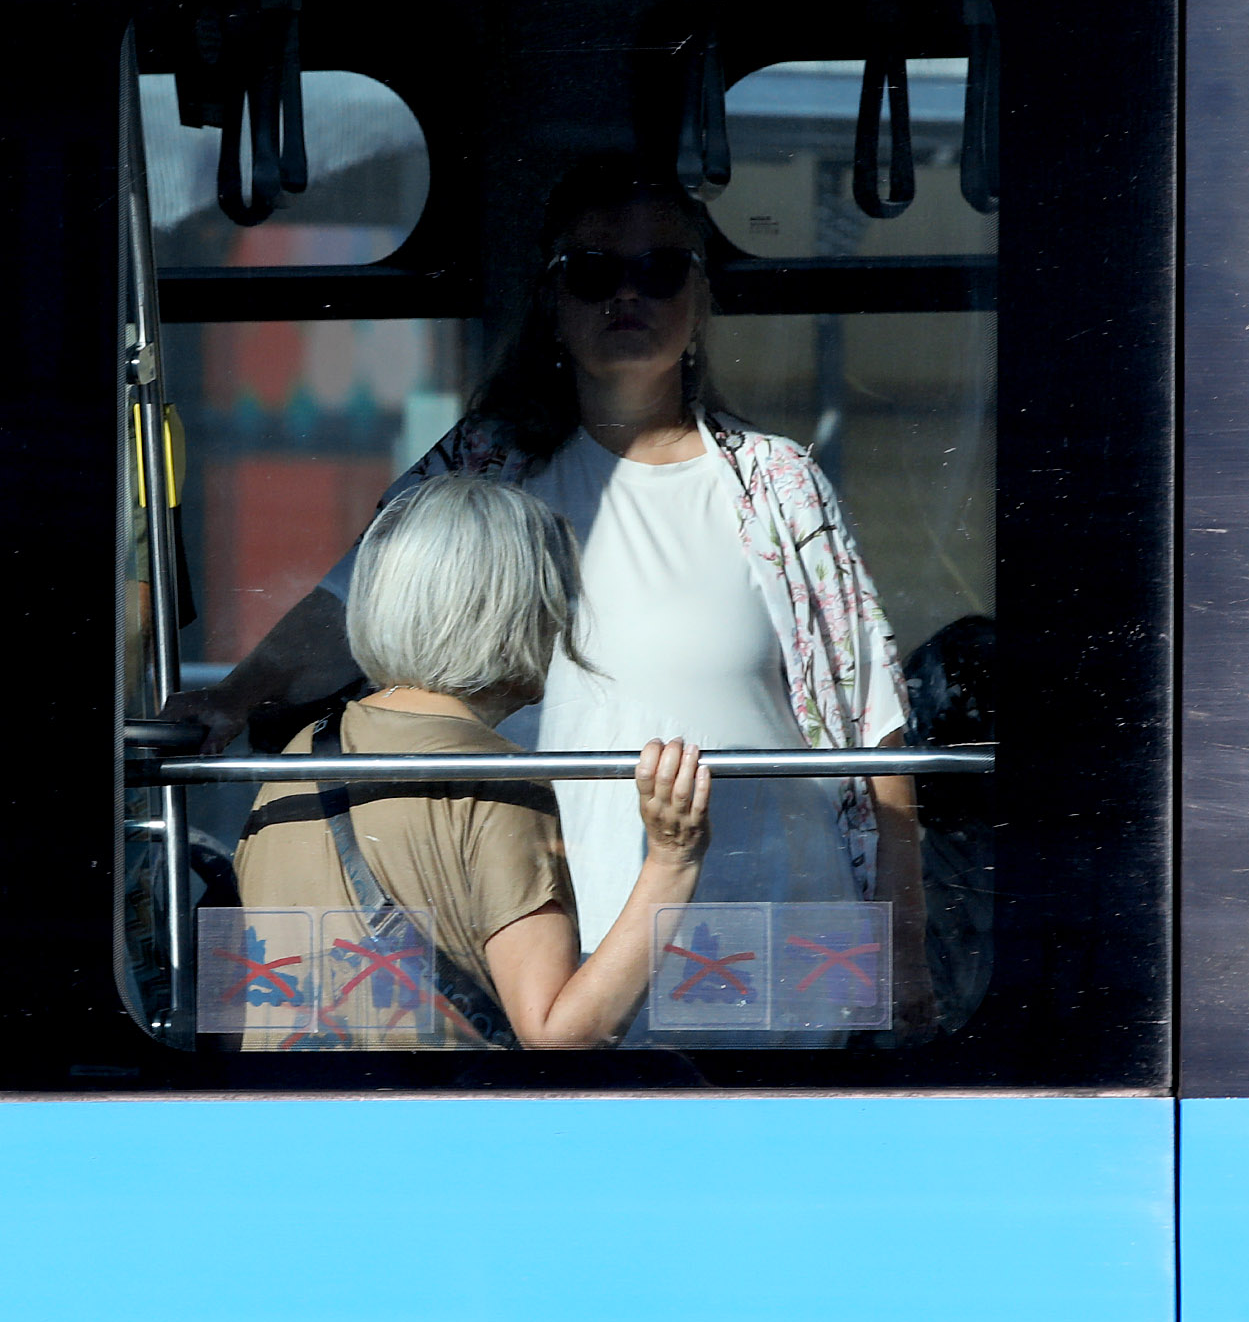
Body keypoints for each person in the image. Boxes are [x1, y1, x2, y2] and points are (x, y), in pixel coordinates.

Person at [177, 155, 921, 1035]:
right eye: (594, 273)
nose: (627, 296)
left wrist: (903, 947)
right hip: (558, 931)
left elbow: (875, 730)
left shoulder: (779, 484)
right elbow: (355, 603)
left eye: (661, 269)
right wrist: (230, 697)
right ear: (552, 304)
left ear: (700, 299)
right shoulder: (484, 468)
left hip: (773, 928)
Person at [233, 474, 712, 1049]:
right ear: (514, 612)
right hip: (432, 1127)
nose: (559, 624)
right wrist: (673, 860)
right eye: (555, 598)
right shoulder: (496, 780)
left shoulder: (304, 751)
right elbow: (560, 1038)